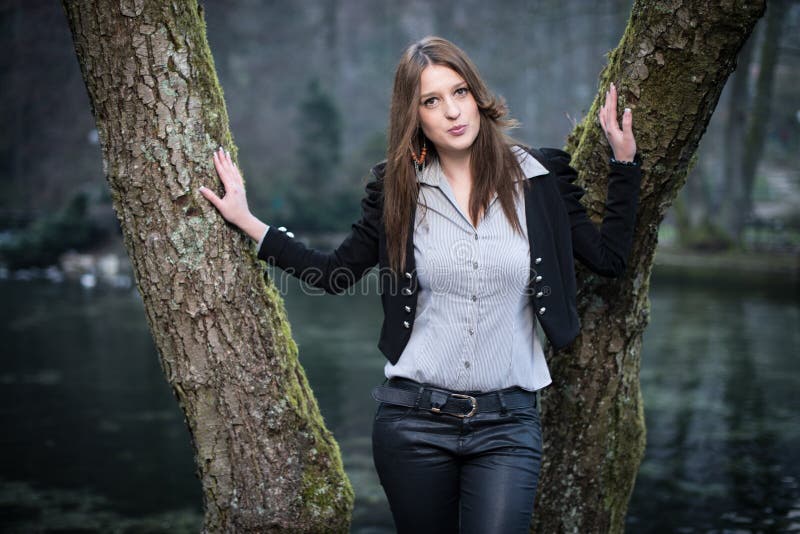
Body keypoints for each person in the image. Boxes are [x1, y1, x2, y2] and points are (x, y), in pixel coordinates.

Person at [199, 36, 640, 534]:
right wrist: (249, 222)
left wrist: (625, 166)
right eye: (432, 101)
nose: (453, 111)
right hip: (413, 423)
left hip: (508, 426)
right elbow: (332, 273)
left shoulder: (538, 179)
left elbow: (609, 260)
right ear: (415, 115)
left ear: (477, 96)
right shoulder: (398, 191)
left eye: (459, 92)